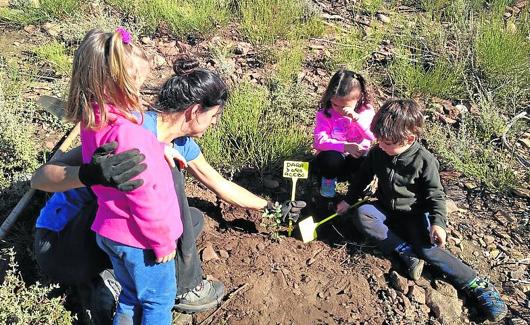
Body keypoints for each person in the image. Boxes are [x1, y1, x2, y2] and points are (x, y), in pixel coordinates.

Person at [31, 58, 306, 321]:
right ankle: (186, 287)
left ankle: (112, 282)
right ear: (195, 111)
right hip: (62, 245)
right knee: (169, 181)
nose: (214, 123)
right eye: (213, 116)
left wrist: (270, 209)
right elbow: (39, 178)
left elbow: (220, 184)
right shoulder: (129, 132)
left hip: (107, 236)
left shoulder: (181, 143)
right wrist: (91, 174)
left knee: (191, 219)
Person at [336, 99, 508, 322]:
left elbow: (436, 195)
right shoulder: (378, 153)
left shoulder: (424, 161)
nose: (381, 145)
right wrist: (349, 201)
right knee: (363, 214)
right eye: (379, 140)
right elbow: (362, 179)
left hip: (415, 214)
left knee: (428, 248)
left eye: (387, 142)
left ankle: (476, 283)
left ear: (409, 139)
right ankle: (405, 251)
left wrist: (438, 223)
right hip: (387, 209)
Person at [68, 28, 183, 324]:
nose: (140, 91)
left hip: (111, 232)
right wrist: (162, 241)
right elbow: (143, 197)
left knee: (131, 297)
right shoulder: (128, 132)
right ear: (118, 83)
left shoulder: (94, 121)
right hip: (141, 239)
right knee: (158, 302)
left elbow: (127, 149)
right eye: (137, 82)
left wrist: (156, 147)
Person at [312, 69, 375, 198]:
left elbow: (372, 136)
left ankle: (359, 183)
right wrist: (345, 146)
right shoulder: (326, 113)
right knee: (330, 159)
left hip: (357, 158)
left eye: (345, 107)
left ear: (358, 98)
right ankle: (329, 179)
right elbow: (319, 142)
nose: (339, 110)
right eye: (335, 104)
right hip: (334, 158)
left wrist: (357, 119)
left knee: (368, 157)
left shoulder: (366, 111)